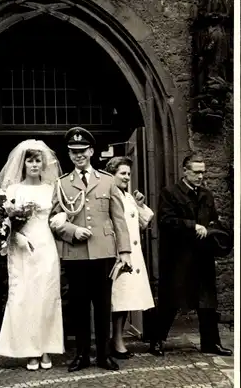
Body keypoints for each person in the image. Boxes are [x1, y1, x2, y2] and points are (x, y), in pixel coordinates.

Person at [49, 127, 132, 372]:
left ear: (92, 151)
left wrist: (124, 251)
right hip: (75, 254)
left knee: (104, 305)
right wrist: (73, 232)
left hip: (104, 252)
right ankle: (83, 355)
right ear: (69, 154)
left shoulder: (107, 180)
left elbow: (119, 218)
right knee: (79, 306)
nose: (79, 156)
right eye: (74, 152)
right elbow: (54, 219)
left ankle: (104, 355)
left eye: (83, 151)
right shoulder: (62, 184)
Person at [0, 140, 64, 370]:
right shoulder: (13, 191)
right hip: (21, 248)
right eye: (29, 160)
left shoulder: (51, 189)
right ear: (23, 163)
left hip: (46, 247)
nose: (34, 164)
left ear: (43, 163)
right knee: (25, 297)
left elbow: (58, 217)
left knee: (47, 296)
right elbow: (0, 221)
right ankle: (30, 350)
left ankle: (46, 348)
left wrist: (61, 220)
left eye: (37, 160)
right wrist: (14, 236)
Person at [150, 152, 232, 357]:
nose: (200, 176)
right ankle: (157, 341)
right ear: (185, 171)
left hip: (203, 256)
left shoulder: (206, 195)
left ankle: (211, 343)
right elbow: (166, 221)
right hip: (178, 256)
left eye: (203, 172)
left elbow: (213, 219)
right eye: (196, 172)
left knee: (207, 301)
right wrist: (192, 226)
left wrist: (212, 228)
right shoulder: (169, 193)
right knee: (171, 299)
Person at [105, 156, 155, 359]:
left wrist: (140, 205)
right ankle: (116, 341)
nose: (126, 177)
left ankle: (117, 339)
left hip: (133, 254)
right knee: (118, 299)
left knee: (125, 299)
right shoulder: (108, 195)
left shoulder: (127, 197)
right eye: (122, 173)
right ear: (112, 175)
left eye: (128, 174)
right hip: (119, 254)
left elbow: (143, 224)